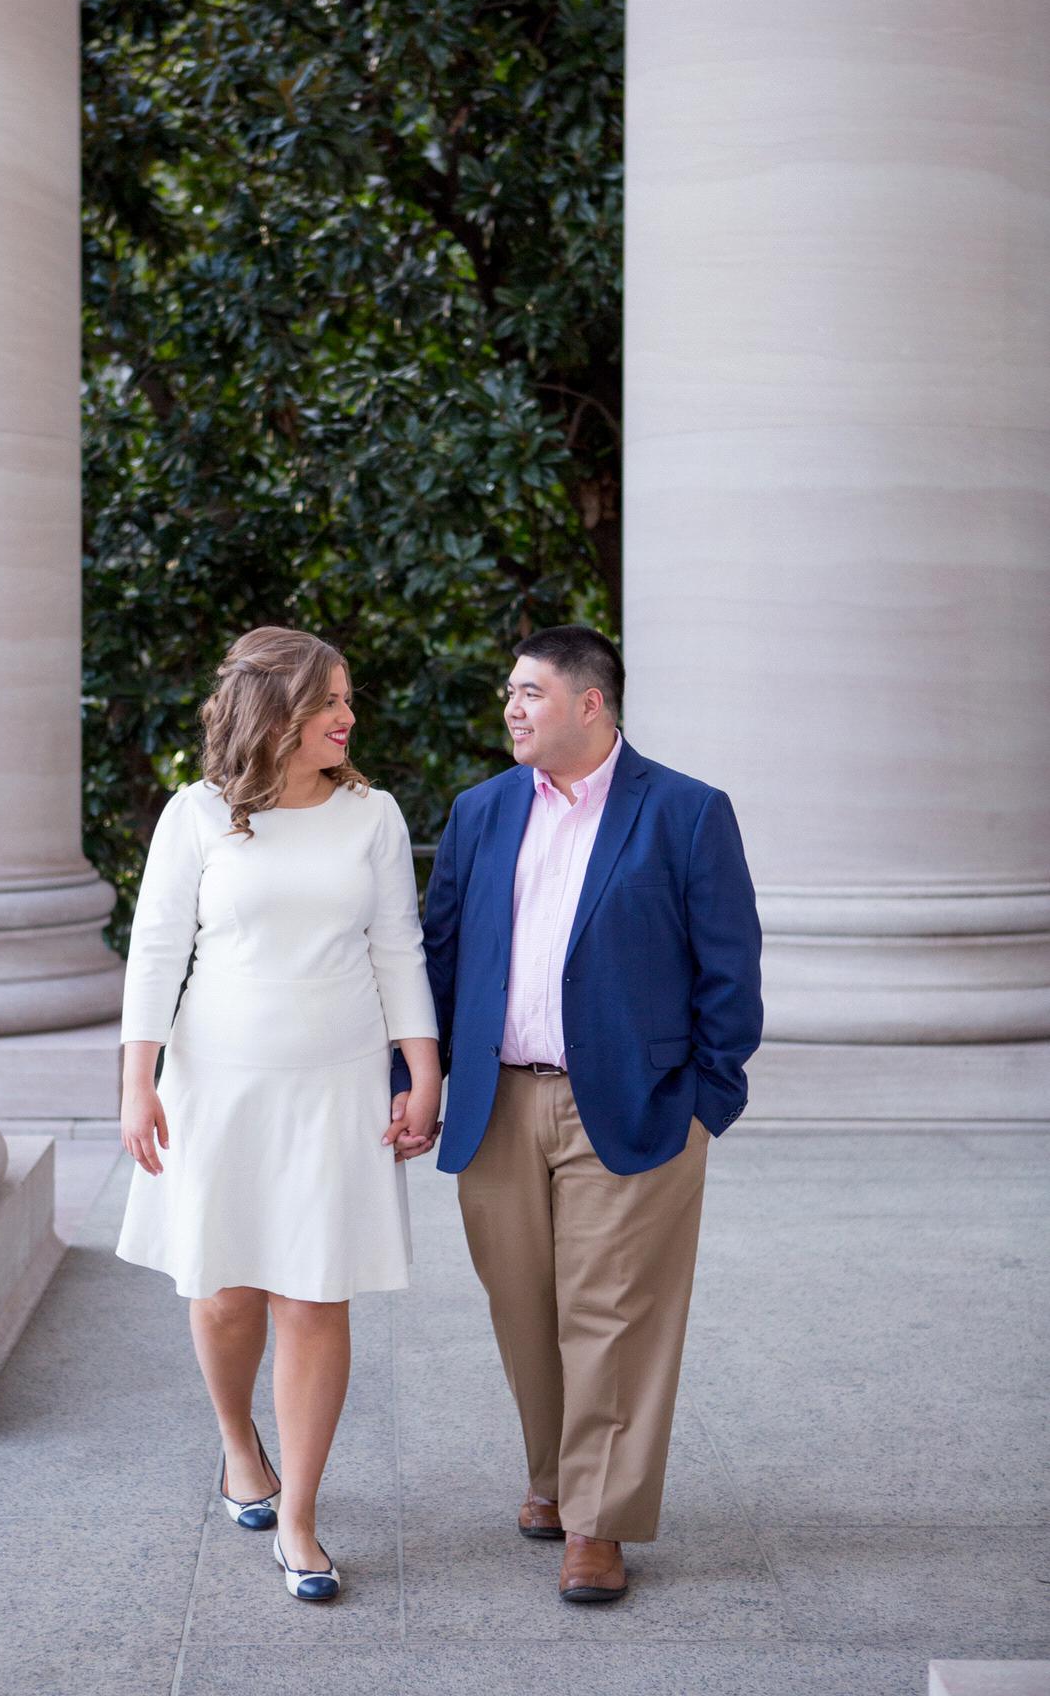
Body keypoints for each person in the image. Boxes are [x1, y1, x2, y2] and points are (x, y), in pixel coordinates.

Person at [421, 625, 762, 1605]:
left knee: (607, 1313)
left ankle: (594, 1520)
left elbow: (728, 974)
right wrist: (424, 1078)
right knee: (522, 1304)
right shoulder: (480, 812)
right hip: (496, 1101)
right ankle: (553, 1471)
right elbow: (441, 957)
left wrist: (706, 1099)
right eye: (508, 691)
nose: (510, 708)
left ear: (589, 702)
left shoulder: (686, 813)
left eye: (529, 691)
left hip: (633, 1101)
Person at [116, 626, 441, 1603]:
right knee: (221, 1290)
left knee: (313, 1292)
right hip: (216, 1082)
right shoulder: (197, 813)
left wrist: (421, 1070)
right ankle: (237, 1446)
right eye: (328, 700)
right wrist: (138, 1078)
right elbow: (155, 949)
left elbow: (398, 948)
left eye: (346, 697)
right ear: (276, 713)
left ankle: (297, 1514)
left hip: (335, 1085)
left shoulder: (370, 814)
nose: (347, 715)